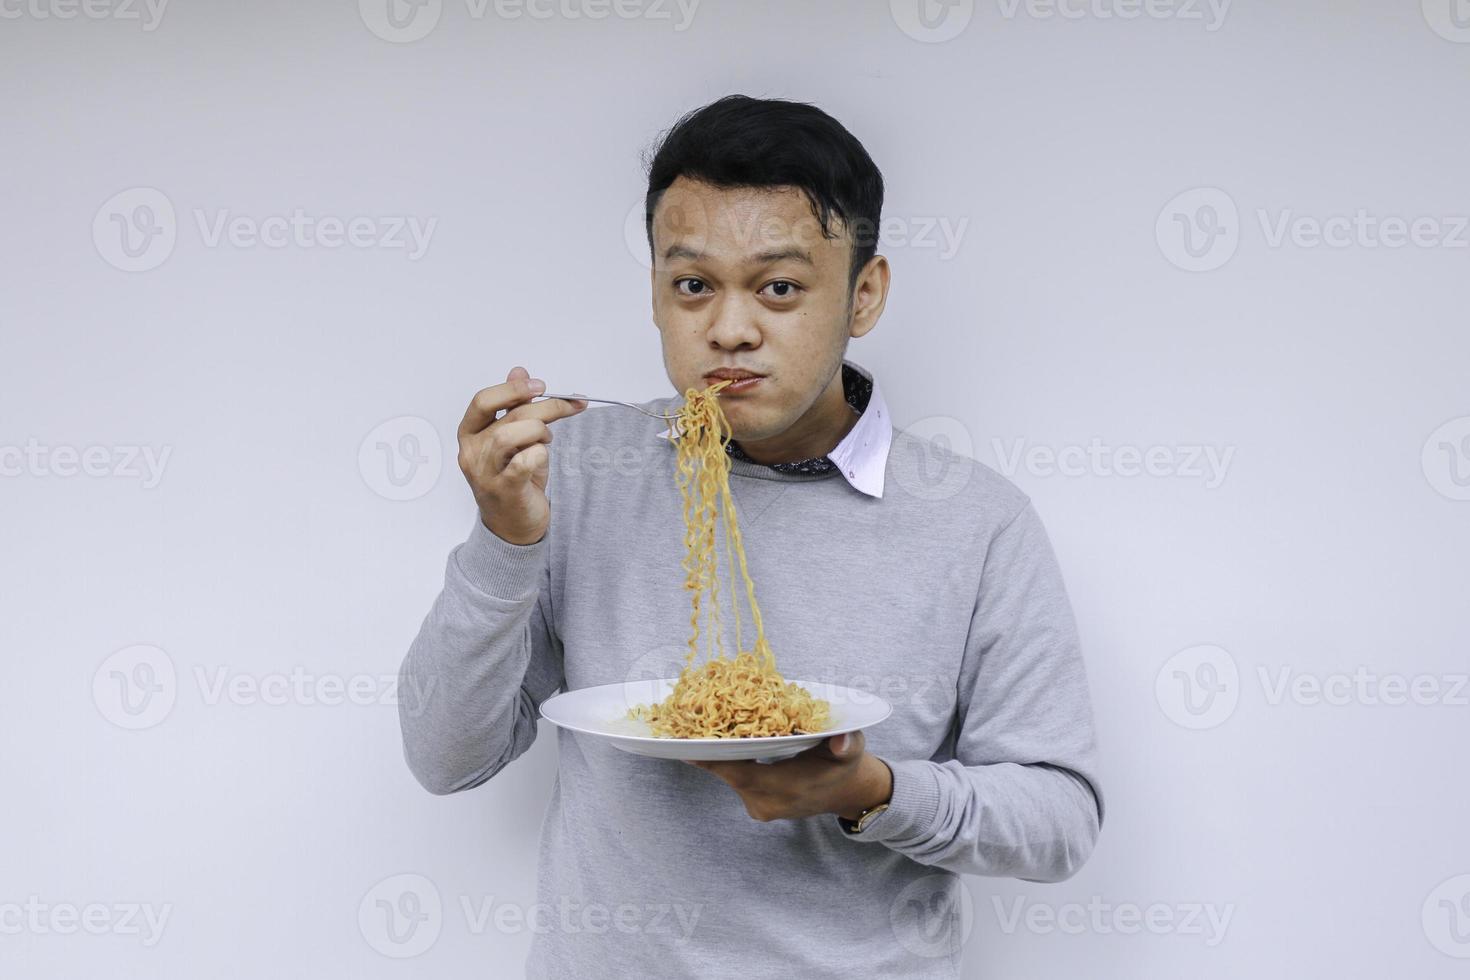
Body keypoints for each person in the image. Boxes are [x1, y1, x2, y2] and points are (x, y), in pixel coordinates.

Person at [397, 94, 1105, 979]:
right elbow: (444, 758)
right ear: (654, 292)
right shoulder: (576, 472)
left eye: (780, 287)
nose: (729, 329)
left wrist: (874, 794)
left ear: (865, 294)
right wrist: (505, 541)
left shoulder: (976, 521)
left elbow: (1058, 820)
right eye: (693, 284)